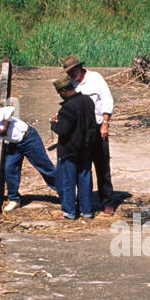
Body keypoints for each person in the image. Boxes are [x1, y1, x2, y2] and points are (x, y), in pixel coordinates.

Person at [0, 103, 59, 213]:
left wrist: (5, 128)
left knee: (44, 167)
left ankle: (65, 193)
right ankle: (14, 199)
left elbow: (10, 109)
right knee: (9, 167)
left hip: (28, 138)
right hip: (15, 143)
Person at [61, 55, 116, 215]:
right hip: (79, 131)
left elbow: (107, 100)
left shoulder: (95, 78)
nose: (72, 75)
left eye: (73, 71)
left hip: (97, 127)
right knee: (83, 167)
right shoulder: (71, 84)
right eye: (69, 73)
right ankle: (85, 203)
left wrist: (105, 123)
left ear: (80, 67)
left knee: (102, 165)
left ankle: (107, 201)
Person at [49, 76, 97, 220]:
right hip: (85, 148)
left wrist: (54, 123)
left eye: (59, 93)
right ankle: (87, 210)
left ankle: (69, 211)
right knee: (85, 179)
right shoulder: (88, 101)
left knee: (68, 181)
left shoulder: (67, 108)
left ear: (63, 91)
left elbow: (63, 130)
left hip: (69, 150)